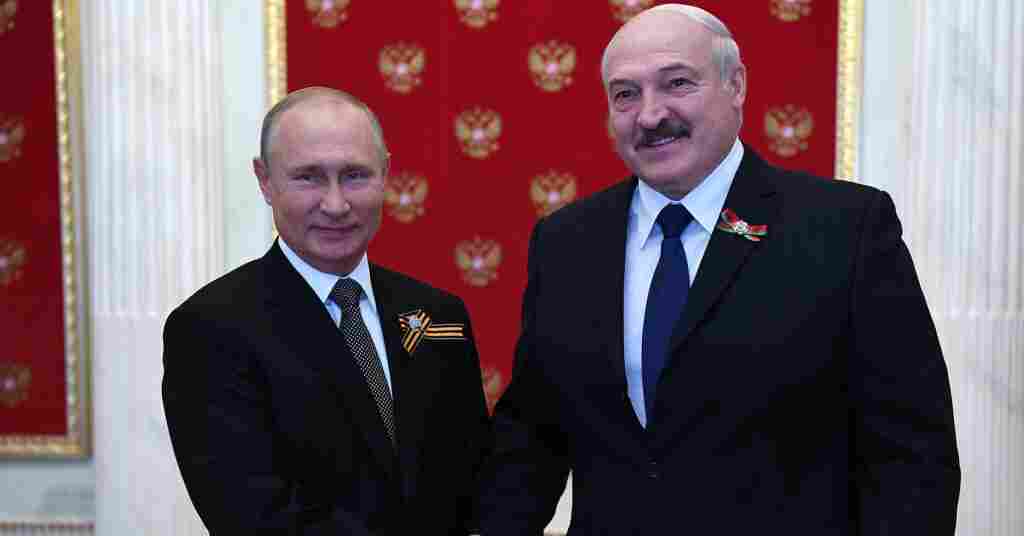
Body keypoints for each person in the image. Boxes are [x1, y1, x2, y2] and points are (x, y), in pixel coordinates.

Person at [478, 4, 960, 535]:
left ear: (736, 86)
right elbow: (531, 437)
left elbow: (912, 452)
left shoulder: (844, 229)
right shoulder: (568, 242)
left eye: (677, 83)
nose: (650, 115)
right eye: (626, 94)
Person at [163, 87, 490, 535]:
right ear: (264, 180)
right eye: (308, 178)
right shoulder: (211, 329)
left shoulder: (437, 313)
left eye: (355, 175)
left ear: (386, 174)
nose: (336, 204)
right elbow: (251, 515)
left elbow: (475, 477)